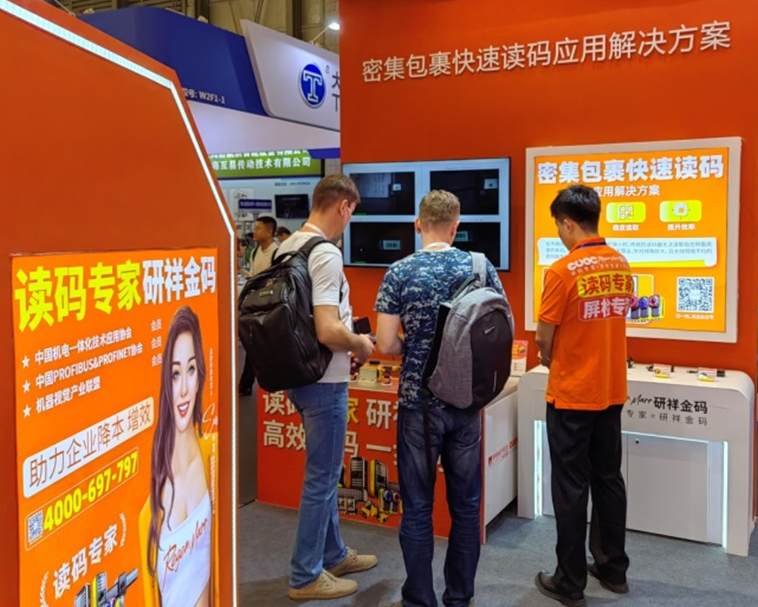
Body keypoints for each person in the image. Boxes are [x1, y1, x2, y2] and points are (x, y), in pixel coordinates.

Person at [374, 190, 508, 607]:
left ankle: (418, 599)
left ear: (418, 224)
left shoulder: (398, 271)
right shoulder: (481, 266)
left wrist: (413, 347)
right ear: (455, 226)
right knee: (466, 506)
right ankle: (459, 597)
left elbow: (385, 343)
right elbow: (498, 328)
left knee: (417, 507)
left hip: (418, 403)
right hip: (466, 401)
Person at [277, 174, 378, 601]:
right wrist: (361, 343)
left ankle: (333, 554)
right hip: (324, 381)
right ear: (343, 206)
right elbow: (328, 329)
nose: (349, 220)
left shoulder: (287, 247)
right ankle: (305, 575)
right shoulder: (325, 253)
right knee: (321, 478)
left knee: (324, 471)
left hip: (298, 376)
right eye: (351, 212)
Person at [534, 185, 633, 607]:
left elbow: (544, 339)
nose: (559, 233)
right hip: (610, 391)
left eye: (559, 226)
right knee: (608, 479)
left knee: (571, 488)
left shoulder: (562, 271)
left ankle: (570, 582)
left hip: (572, 395)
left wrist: (552, 357)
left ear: (568, 223)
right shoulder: (620, 263)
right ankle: (613, 569)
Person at [140, 306, 216, 607]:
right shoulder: (153, 494)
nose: (184, 388)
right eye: (174, 374)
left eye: (191, 369)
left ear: (200, 375)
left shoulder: (210, 455)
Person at [239, 217, 280, 395]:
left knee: (266, 346)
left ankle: (259, 384)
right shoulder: (255, 252)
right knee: (254, 344)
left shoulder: (277, 252)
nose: (254, 232)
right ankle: (247, 384)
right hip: (257, 305)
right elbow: (254, 276)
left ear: (269, 232)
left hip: (272, 307)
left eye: (258, 228)